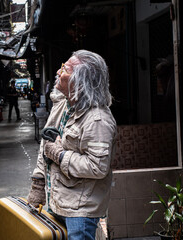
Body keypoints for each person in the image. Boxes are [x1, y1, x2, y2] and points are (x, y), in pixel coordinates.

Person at [27, 50, 117, 240]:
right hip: (58, 200)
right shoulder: (62, 104)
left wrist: (60, 155)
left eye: (65, 69)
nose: (58, 73)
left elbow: (98, 167)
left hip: (80, 211)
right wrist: (38, 183)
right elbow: (47, 143)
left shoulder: (97, 119)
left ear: (80, 80)